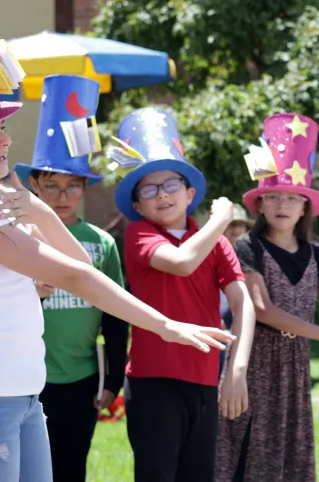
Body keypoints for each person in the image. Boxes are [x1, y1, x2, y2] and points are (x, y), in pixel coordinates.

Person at [0, 0, 234, 482]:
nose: (7, 139)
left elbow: (79, 267)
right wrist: (165, 325)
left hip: (19, 394)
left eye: (2, 128)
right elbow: (72, 273)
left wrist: (42, 211)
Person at [107, 107, 256, 482]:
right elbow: (182, 262)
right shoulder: (139, 235)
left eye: (171, 184)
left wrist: (236, 371)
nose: (162, 195)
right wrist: (220, 220)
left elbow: (243, 304)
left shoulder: (217, 244)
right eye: (149, 189)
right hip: (152, 381)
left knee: (199, 474)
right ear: (137, 205)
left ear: (190, 193)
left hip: (205, 380)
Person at [13, 74, 128, 482]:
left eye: (72, 186)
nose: (63, 197)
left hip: (82, 380)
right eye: (52, 186)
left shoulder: (101, 244)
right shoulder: (19, 237)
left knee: (72, 468)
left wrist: (113, 379)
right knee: (29, 471)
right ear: (34, 185)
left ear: (83, 188)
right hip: (27, 377)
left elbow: (115, 316)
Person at [216, 113, 319, 482]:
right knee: (245, 457)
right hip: (254, 366)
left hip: (295, 372)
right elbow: (262, 310)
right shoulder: (248, 246)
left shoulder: (317, 254)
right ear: (260, 204)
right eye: (273, 197)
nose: (282, 204)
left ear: (305, 207)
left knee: (290, 460)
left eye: (291, 197)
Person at [219, 205, 253, 375]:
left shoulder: (253, 258)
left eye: (241, 224)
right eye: (232, 225)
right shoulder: (213, 256)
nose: (237, 230)